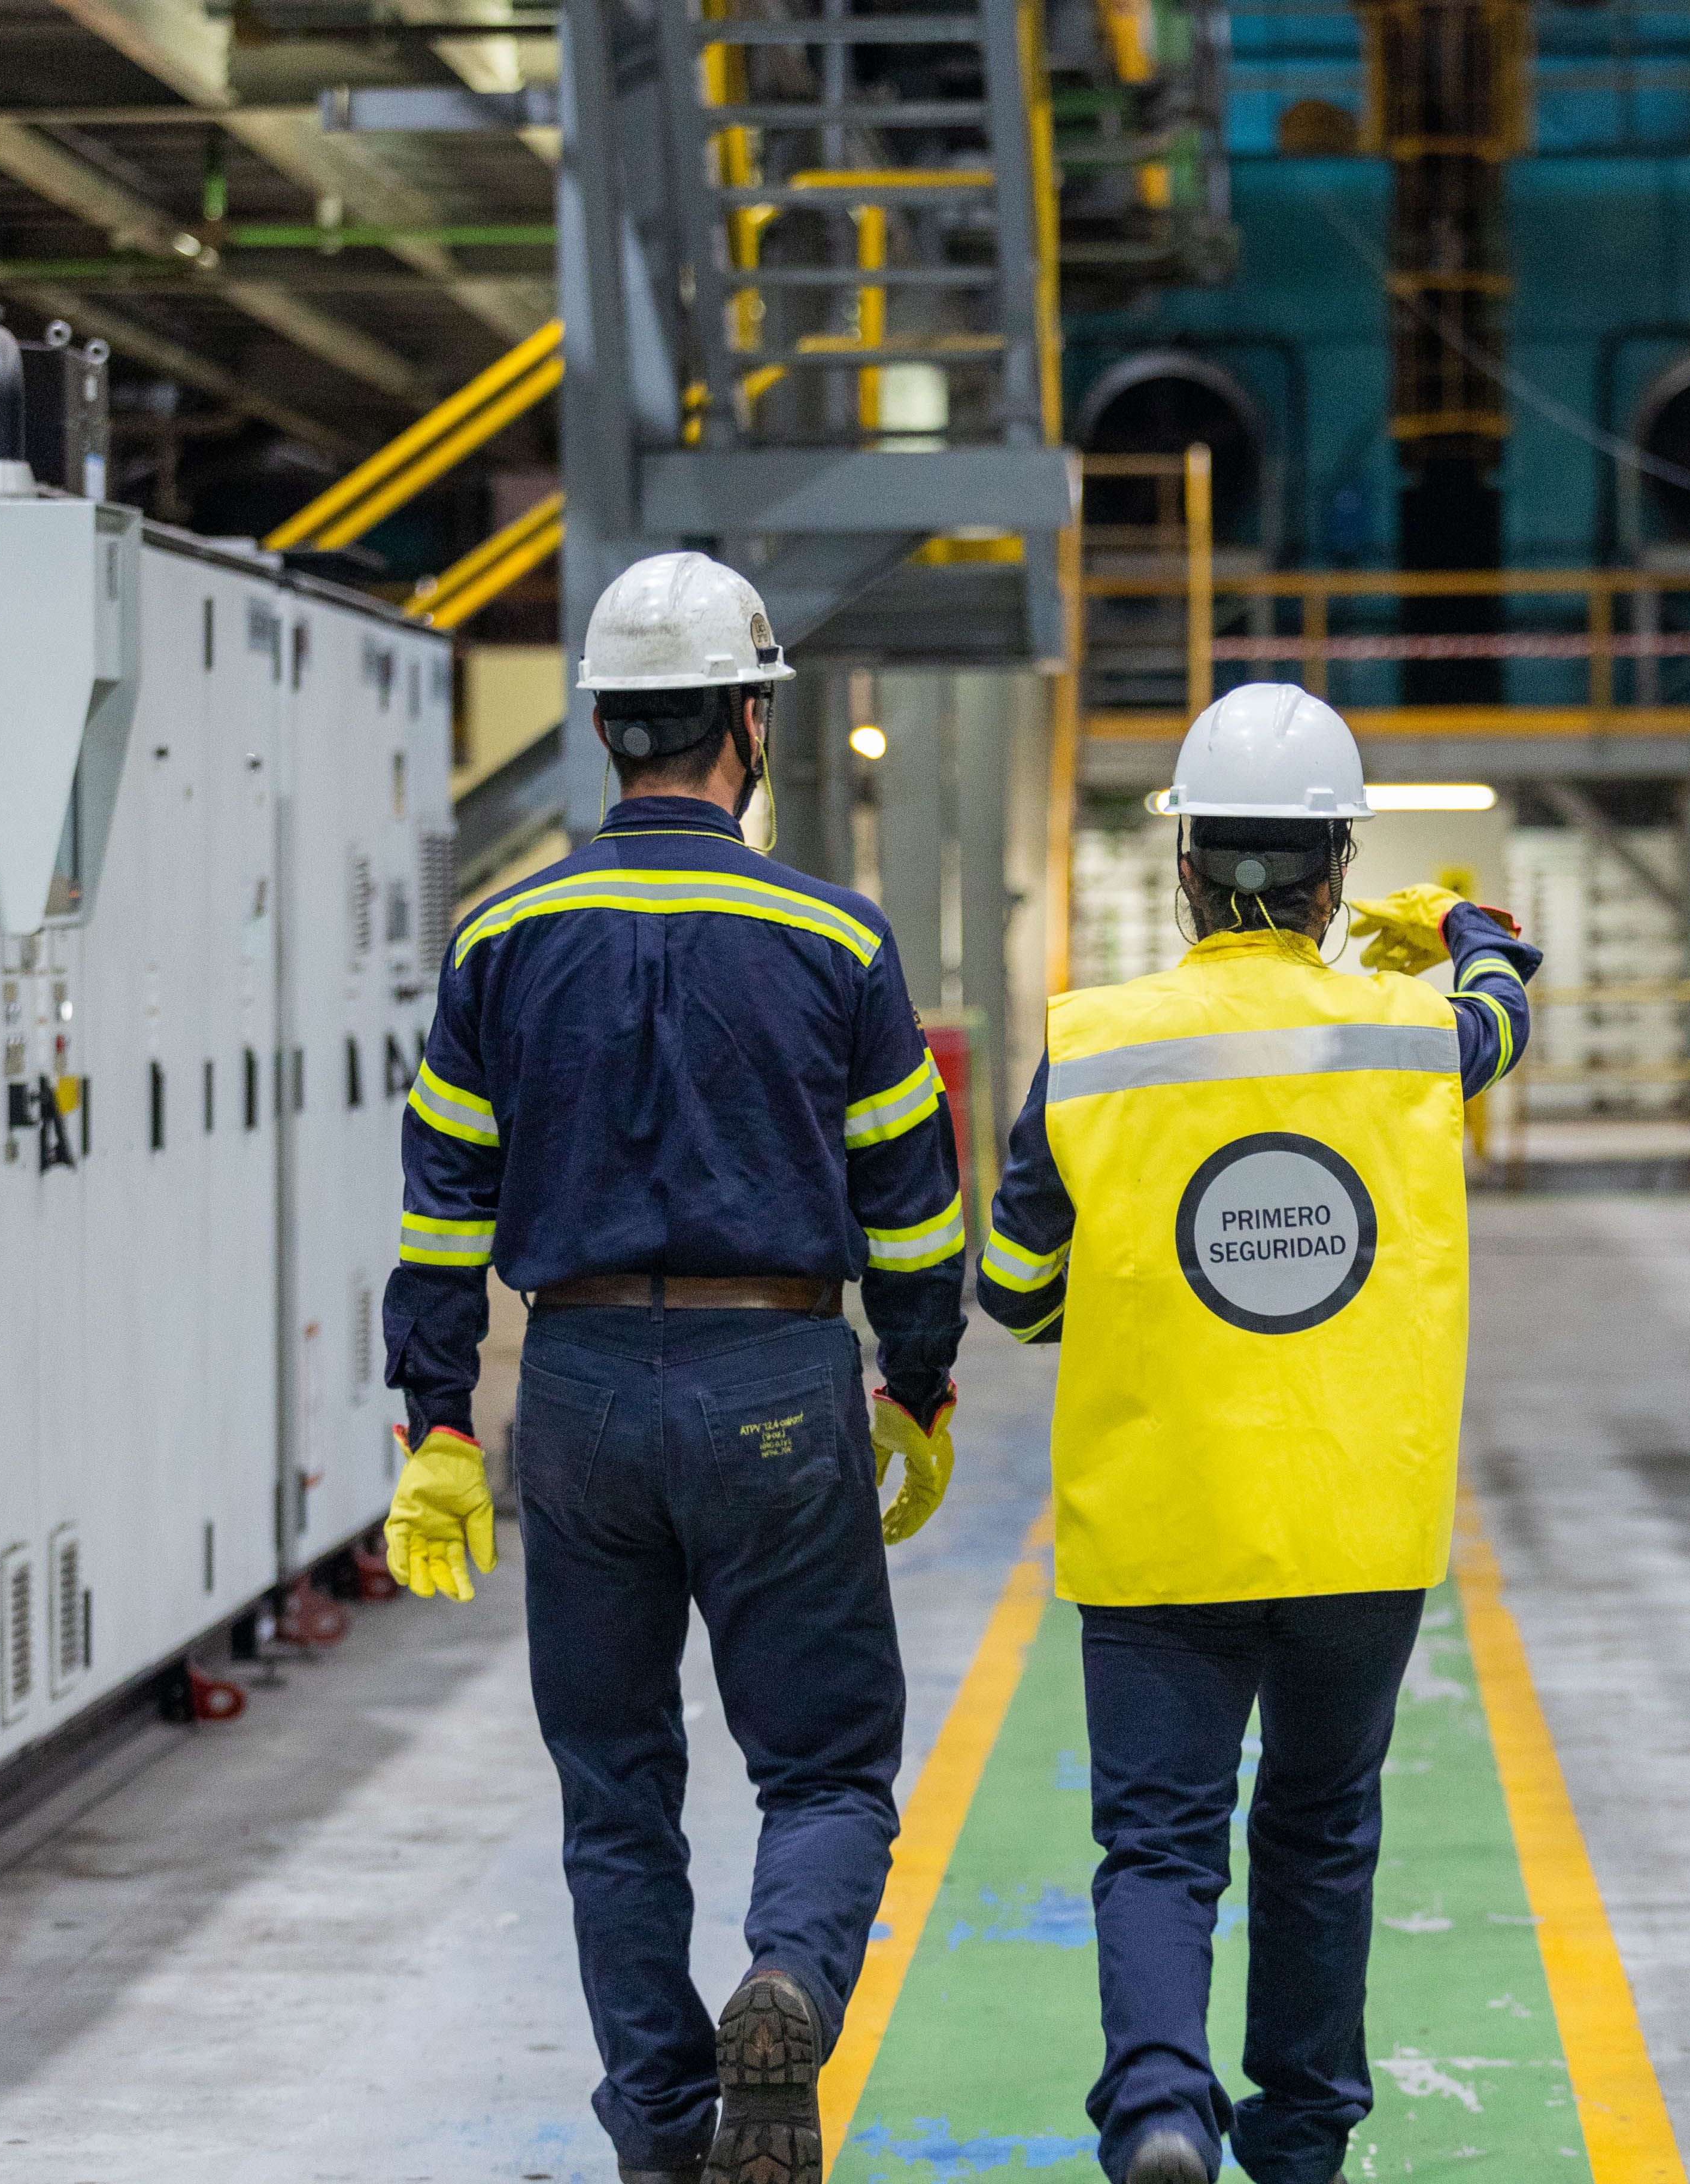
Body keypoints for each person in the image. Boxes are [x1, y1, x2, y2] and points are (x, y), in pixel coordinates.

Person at [377, 551, 968, 2184]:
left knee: (615, 1788)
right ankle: (787, 1985)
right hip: (773, 1373)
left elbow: (441, 1210)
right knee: (827, 1765)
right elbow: (914, 1215)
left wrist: (437, 1420)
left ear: (608, 729)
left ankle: (659, 2131)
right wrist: (916, 1386)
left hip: (573, 1391)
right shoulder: (836, 940)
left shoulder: (500, 939)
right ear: (749, 725)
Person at [973, 684, 1540, 2184]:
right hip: (1361, 1528)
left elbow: (1015, 1291)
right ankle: (1301, 2144)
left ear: (1184, 867)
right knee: (1320, 1828)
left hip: (1162, 1521)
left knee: (1160, 1843)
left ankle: (1163, 2108)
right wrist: (1466, 932)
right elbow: (1503, 1010)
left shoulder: (1094, 1047)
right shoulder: (1415, 1037)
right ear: (1336, 872)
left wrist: (1145, 1289)